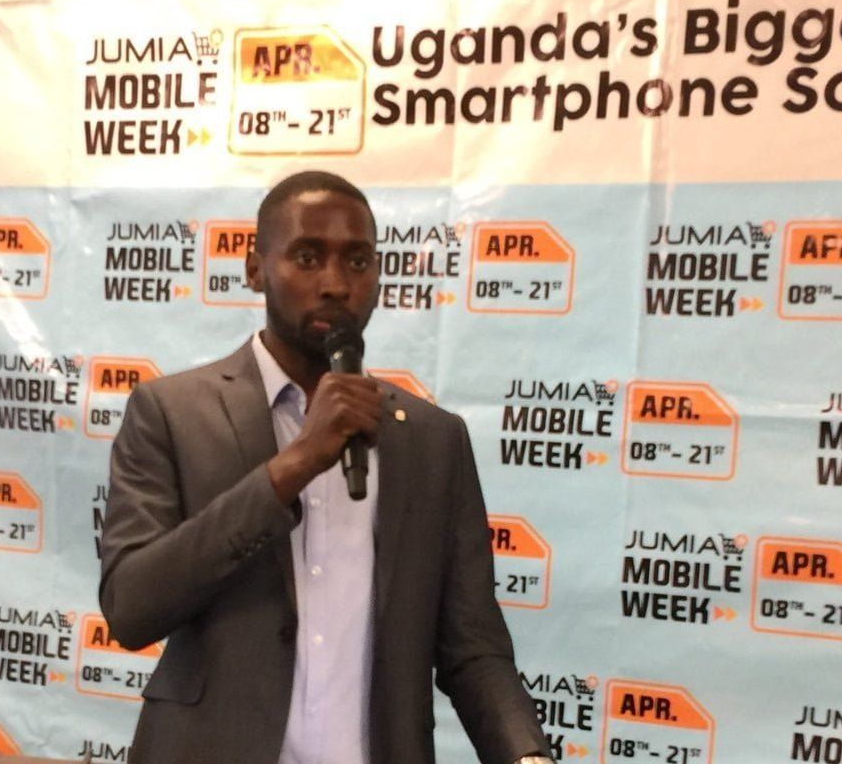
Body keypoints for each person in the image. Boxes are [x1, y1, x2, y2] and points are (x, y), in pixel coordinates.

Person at [99, 171, 552, 764]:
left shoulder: (434, 441)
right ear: (255, 268)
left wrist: (527, 756)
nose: (335, 284)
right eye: (307, 257)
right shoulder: (171, 412)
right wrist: (291, 467)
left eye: (357, 261)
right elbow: (131, 609)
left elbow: (474, 648)